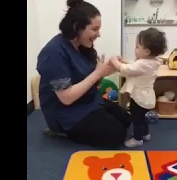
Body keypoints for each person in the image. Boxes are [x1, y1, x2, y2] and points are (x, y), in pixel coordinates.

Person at [36, 0, 131, 148]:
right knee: (117, 135)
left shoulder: (82, 47)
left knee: (126, 120)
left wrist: (106, 71)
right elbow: (66, 99)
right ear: (77, 27)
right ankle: (60, 131)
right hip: (65, 112)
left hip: (86, 101)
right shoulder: (53, 52)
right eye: (94, 29)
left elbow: (91, 82)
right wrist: (98, 73)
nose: (98, 34)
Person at [109, 28, 167, 147]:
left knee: (137, 118)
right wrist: (124, 60)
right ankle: (145, 134)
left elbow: (127, 69)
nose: (135, 49)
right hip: (146, 96)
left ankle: (137, 139)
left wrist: (115, 61)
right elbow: (135, 65)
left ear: (146, 51)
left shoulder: (143, 63)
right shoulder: (152, 61)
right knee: (142, 117)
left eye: (137, 47)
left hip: (139, 98)